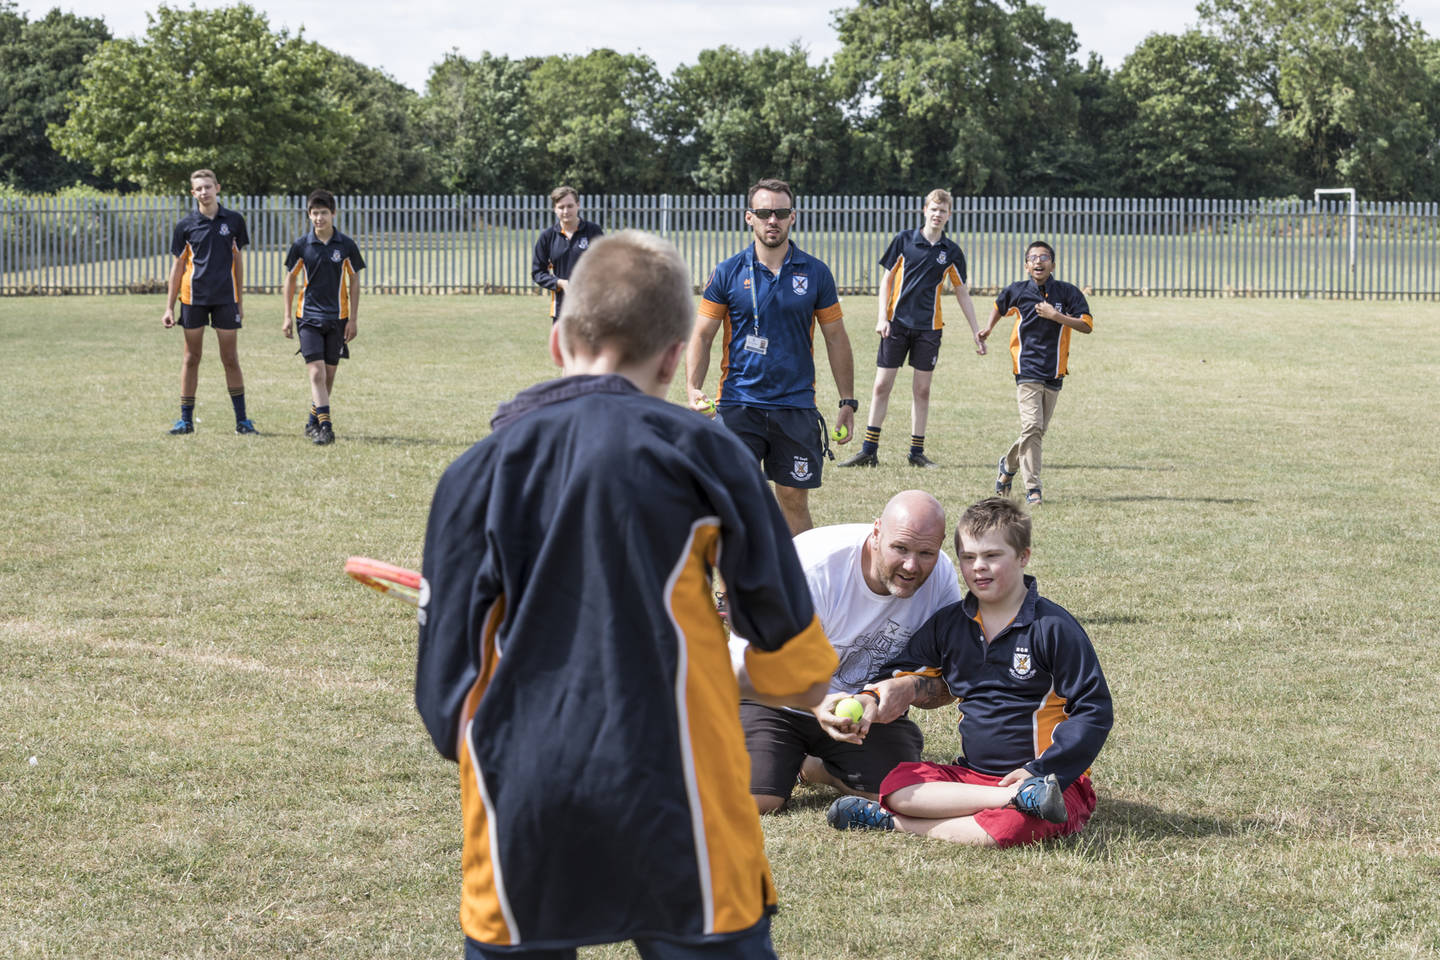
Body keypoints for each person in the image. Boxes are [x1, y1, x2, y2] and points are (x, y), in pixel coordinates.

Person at [415, 230, 839, 959]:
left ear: (558, 343)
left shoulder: (472, 475)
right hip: (681, 797)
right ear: (676, 358)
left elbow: (444, 699)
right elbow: (792, 656)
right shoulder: (710, 455)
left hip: (525, 804)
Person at [826, 497, 1112, 848]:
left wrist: (1041, 773)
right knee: (896, 783)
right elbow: (897, 670)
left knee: (1012, 829)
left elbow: (1093, 710)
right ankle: (1009, 799)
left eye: (992, 556)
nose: (979, 567)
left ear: (1023, 556)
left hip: (1052, 781)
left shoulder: (1052, 628)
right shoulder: (951, 625)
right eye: (968, 557)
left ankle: (893, 822)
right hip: (973, 779)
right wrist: (872, 696)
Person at [728, 490, 962, 815]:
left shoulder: (940, 580)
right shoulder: (813, 566)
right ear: (876, 532)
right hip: (774, 700)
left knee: (898, 794)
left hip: (862, 713)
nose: (911, 565)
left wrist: (905, 690)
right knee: (755, 801)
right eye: (900, 548)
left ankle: (816, 767)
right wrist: (815, 701)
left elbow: (955, 678)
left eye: (926, 552)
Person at [686, 177, 857, 535]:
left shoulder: (815, 272)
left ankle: (800, 585)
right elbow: (702, 335)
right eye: (764, 212)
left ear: (793, 217)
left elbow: (836, 338)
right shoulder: (727, 271)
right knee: (735, 500)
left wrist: (847, 401)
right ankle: (732, 592)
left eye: (780, 212)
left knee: (793, 499)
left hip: (795, 406)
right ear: (749, 217)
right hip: (737, 405)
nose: (772, 220)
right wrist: (692, 387)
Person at [839, 188, 985, 469]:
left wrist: (975, 331)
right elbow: (886, 280)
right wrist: (882, 317)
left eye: (943, 211)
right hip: (896, 325)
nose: (938, 214)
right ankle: (869, 450)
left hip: (929, 330)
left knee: (922, 390)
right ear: (924, 210)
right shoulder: (904, 240)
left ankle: (916, 452)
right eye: (933, 209)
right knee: (882, 385)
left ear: (949, 215)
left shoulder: (951, 252)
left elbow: (962, 292)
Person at [978, 240, 1093, 506]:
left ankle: (1007, 467)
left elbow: (1087, 325)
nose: (1038, 262)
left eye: (1044, 257)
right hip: (1026, 367)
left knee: (1036, 432)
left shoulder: (1067, 293)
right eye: (1033, 258)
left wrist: (1057, 316)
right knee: (1032, 426)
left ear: (1053, 263)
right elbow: (999, 306)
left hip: (1054, 370)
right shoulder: (1018, 291)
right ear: (1027, 265)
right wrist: (988, 329)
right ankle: (1033, 489)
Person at [160, 169, 254, 434]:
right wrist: (169, 307)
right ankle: (185, 421)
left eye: (208, 187)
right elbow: (177, 268)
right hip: (193, 299)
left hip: (225, 299)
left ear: (218, 188)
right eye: (199, 188)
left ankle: (242, 421)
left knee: (230, 358)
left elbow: (237, 262)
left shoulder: (234, 221)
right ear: (193, 193)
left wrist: (239, 301)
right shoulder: (185, 226)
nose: (204, 192)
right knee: (191, 357)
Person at [281, 189, 365, 445]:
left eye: (324, 213)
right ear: (309, 215)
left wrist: (352, 319)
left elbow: (353, 280)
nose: (319, 218)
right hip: (308, 317)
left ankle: (311, 422)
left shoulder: (346, 245)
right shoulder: (301, 246)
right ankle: (326, 427)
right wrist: (286, 316)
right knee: (316, 374)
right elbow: (291, 279)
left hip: (338, 318)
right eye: (314, 213)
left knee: (328, 376)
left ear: (333, 214)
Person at [531, 185, 603, 322]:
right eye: (561, 207)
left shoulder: (594, 231)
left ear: (578, 205)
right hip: (561, 310)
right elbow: (537, 272)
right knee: (562, 344)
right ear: (554, 209)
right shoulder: (547, 236)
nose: (566, 211)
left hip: (591, 308)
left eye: (570, 206)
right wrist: (560, 283)